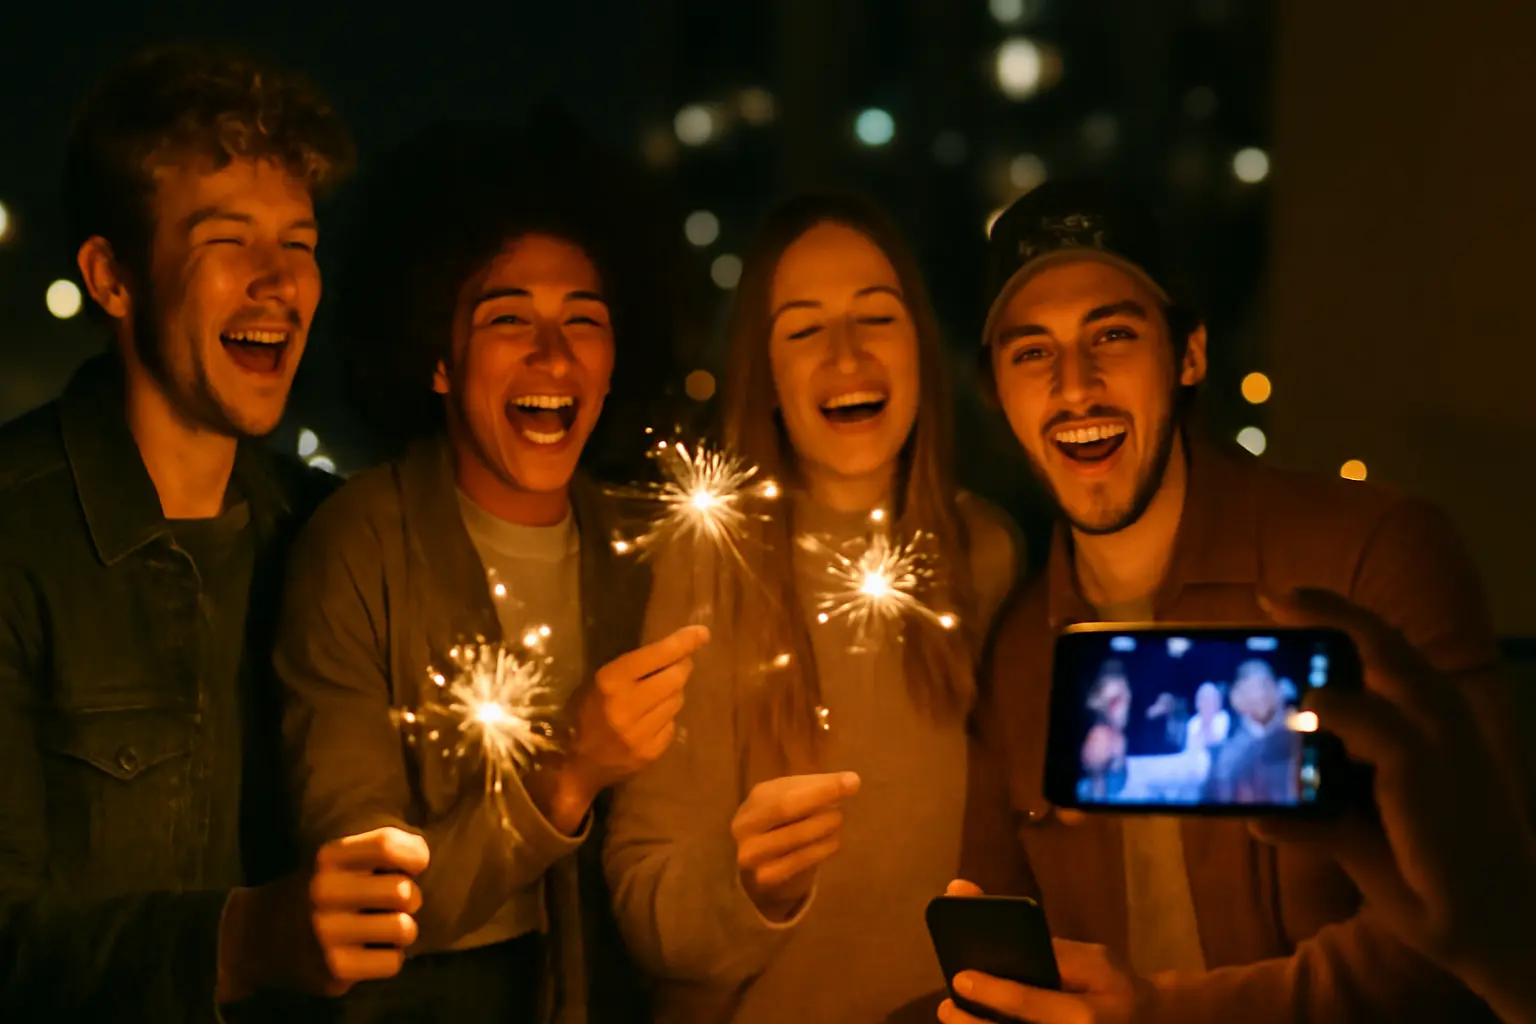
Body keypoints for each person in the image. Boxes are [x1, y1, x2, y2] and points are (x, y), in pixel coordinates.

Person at [952, 179, 1526, 1021]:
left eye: (1113, 334)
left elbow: (1483, 907)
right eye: (1032, 351)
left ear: (1190, 354)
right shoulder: (1015, 655)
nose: (1076, 386)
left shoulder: (1370, 555)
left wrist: (1164, 1015)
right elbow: (997, 930)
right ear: (997, 391)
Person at [0, 44, 432, 1022]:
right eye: (228, 240)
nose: (279, 281)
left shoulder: (337, 535)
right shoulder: (18, 537)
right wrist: (246, 940)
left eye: (303, 243)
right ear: (112, 278)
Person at [272, 120, 702, 1024]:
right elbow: (365, 908)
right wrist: (568, 775)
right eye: (510, 318)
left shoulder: (654, 553)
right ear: (436, 357)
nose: (553, 355)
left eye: (583, 320)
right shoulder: (357, 547)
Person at [603, 194, 1021, 1022]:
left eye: (876, 317)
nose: (846, 353)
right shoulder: (710, 565)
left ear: (922, 351)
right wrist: (744, 886)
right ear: (765, 375)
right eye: (803, 329)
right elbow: (641, 895)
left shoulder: (991, 555)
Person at [939, 589, 1536, 1024]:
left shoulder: (1376, 551)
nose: (1068, 405)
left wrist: (1505, 946)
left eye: (1246, 687)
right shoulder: (1015, 636)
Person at [1203, 660, 1298, 805]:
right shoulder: (1221, 756)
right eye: (1251, 688)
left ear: (1278, 691)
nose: (1260, 695)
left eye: (1265, 685)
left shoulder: (1297, 744)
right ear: (1235, 697)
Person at [1078, 662, 1131, 801]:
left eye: (1126, 700)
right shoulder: (1099, 739)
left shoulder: (1120, 737)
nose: (1124, 708)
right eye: (1116, 702)